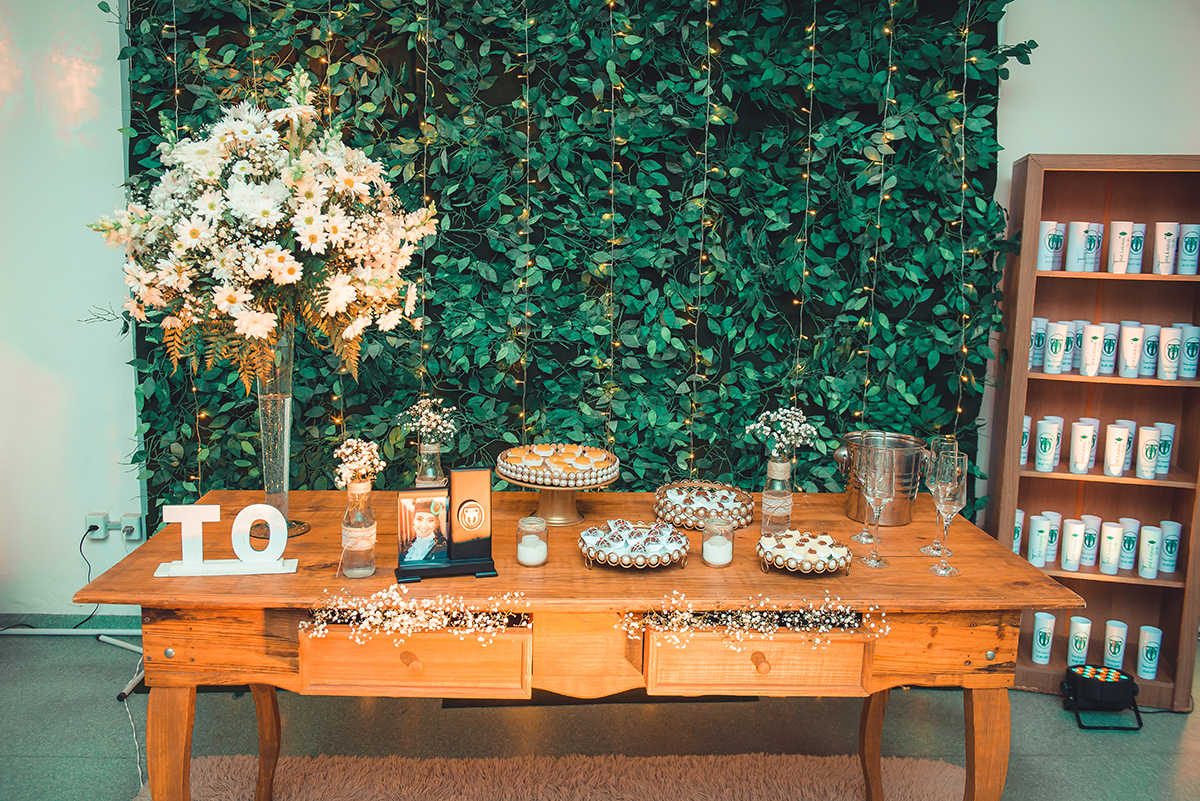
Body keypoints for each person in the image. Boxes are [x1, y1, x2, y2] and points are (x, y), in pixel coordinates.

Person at [402, 497, 447, 562]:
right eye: (419, 519)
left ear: (435, 524)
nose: (424, 525)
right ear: (413, 521)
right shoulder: (406, 547)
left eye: (430, 520)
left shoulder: (442, 548)